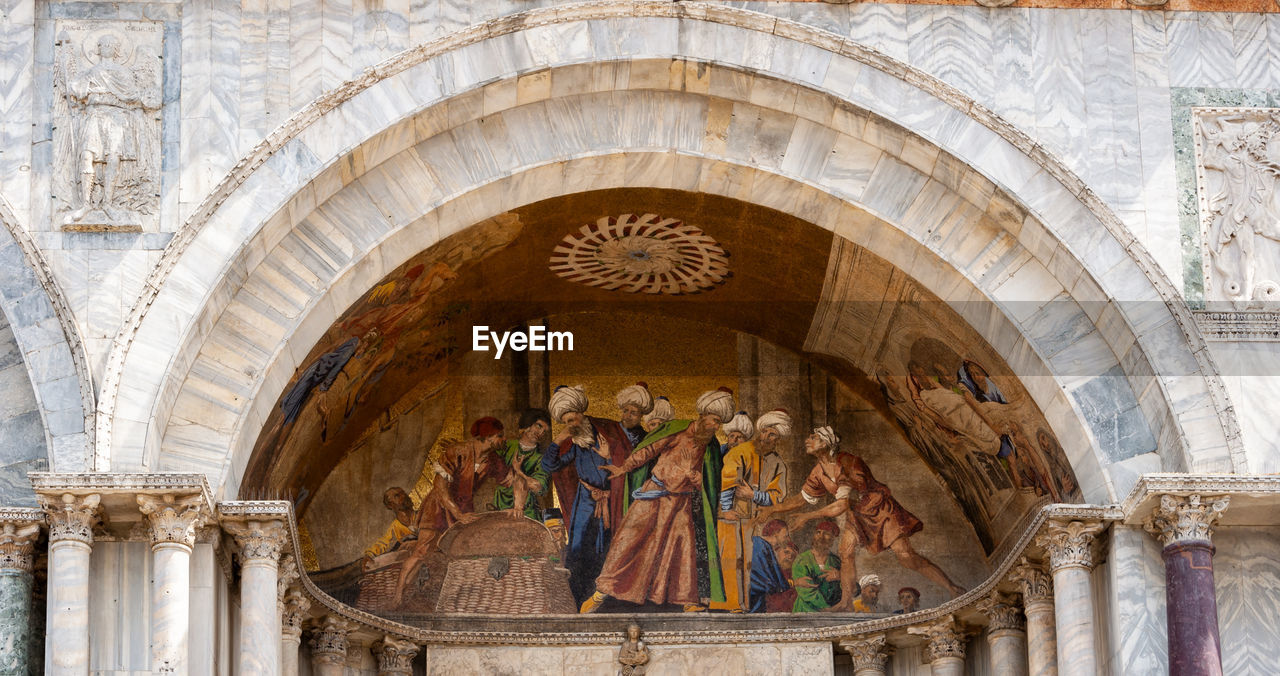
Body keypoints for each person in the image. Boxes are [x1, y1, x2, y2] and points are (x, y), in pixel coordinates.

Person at [760, 426, 965, 609]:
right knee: (845, 552)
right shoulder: (818, 471)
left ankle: (951, 586)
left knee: (906, 556)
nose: (807, 440)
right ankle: (846, 602)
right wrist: (774, 509)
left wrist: (808, 516)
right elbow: (801, 498)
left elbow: (841, 504)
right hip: (857, 514)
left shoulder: (848, 462)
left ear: (826, 442)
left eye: (813, 437)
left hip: (880, 510)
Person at [580, 388, 735, 613]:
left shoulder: (709, 445)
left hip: (682, 503)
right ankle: (600, 593)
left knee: (683, 549)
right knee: (629, 541)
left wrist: (699, 481)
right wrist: (624, 467)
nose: (715, 427)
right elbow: (648, 450)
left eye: (719, 423)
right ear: (703, 416)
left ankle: (687, 601)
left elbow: (712, 483)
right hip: (654, 494)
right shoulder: (678, 430)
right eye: (714, 420)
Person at [391, 417, 508, 606]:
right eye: (500, 436)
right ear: (488, 437)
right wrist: (457, 513)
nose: (504, 440)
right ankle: (397, 596)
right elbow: (440, 485)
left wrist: (520, 500)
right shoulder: (458, 451)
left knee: (450, 554)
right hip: (438, 507)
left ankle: (434, 598)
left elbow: (512, 480)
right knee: (422, 551)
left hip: (463, 511)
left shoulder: (493, 460)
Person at [540, 386, 637, 606]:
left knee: (611, 546)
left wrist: (609, 456)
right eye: (567, 422)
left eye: (574, 419)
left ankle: (608, 598)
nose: (572, 425)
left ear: (582, 414)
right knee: (579, 547)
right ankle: (578, 596)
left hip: (612, 499)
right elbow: (549, 465)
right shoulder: (575, 443)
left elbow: (630, 464)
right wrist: (558, 441)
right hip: (585, 499)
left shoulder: (610, 430)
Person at [712, 409, 792, 612]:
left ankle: (745, 608)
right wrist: (726, 510)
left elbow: (776, 496)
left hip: (753, 523)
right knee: (728, 563)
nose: (766, 436)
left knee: (749, 567)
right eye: (765, 431)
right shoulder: (740, 452)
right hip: (730, 519)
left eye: (772, 434)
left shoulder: (777, 463)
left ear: (778, 439)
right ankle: (725, 606)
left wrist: (753, 496)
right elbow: (728, 482)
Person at [492, 408, 552, 519]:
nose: (541, 432)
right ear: (528, 423)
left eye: (545, 431)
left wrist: (519, 471)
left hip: (526, 512)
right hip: (500, 507)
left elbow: (538, 486)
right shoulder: (507, 446)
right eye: (539, 426)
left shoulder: (541, 459)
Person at [792, 520, 842, 612]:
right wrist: (828, 610)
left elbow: (852, 589)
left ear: (833, 538)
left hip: (832, 613)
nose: (821, 536)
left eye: (826, 533)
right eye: (818, 532)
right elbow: (806, 592)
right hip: (805, 612)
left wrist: (841, 577)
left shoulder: (836, 561)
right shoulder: (802, 560)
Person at [362, 487, 417, 569]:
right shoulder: (395, 526)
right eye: (397, 496)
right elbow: (384, 542)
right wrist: (369, 554)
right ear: (390, 505)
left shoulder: (422, 514)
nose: (403, 497)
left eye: (403, 493)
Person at [747, 519, 793, 613]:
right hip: (754, 596)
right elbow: (762, 577)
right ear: (776, 533)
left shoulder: (766, 546)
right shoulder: (760, 545)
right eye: (786, 535)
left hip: (760, 597)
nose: (788, 538)